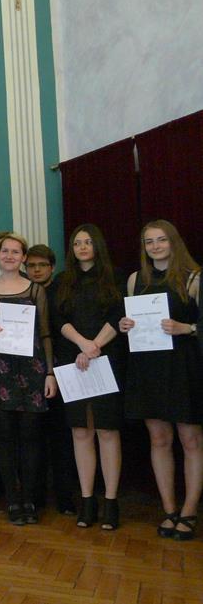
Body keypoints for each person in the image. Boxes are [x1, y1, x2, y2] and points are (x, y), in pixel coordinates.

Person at [120, 220, 202, 540]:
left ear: (173, 241)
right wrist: (125, 325)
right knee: (158, 439)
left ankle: (190, 510)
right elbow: (130, 322)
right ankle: (169, 509)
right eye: (149, 241)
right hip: (147, 368)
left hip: (182, 367)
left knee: (191, 440)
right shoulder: (134, 280)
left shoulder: (194, 277)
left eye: (161, 240)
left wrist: (187, 328)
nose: (155, 246)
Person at [0, 233, 57, 525]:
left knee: (31, 436)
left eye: (15, 252)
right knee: (4, 436)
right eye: (5, 251)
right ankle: (12, 498)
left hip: (32, 370)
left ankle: (30, 499)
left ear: (23, 257)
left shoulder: (35, 290)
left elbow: (45, 333)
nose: (10, 256)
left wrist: (50, 372)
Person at [53, 224, 124, 529]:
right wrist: (83, 344)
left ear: (98, 246)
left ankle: (110, 501)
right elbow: (58, 318)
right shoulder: (62, 281)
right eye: (77, 243)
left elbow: (118, 316)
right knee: (81, 431)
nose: (82, 247)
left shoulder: (115, 277)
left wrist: (95, 346)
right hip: (74, 361)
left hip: (107, 358)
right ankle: (87, 500)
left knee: (107, 431)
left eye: (87, 242)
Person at [26, 243, 77, 515]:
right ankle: (35, 496)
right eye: (31, 265)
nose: (36, 270)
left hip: (64, 368)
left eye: (42, 265)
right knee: (33, 437)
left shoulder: (64, 291)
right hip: (30, 373)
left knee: (62, 436)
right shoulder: (22, 292)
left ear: (52, 267)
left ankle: (65, 497)